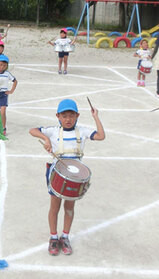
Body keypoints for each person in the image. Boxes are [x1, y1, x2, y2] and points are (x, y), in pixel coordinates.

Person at [28, 99, 105, 256]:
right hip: (57, 174)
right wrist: (46, 139)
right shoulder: (54, 130)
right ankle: (53, 237)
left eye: (71, 115)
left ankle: (65, 236)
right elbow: (32, 130)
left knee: (69, 208)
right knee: (54, 207)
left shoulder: (81, 132)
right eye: (64, 116)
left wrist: (96, 116)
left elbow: (101, 136)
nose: (68, 119)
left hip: (75, 177)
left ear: (77, 115)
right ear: (58, 116)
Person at [0, 54, 17, 136]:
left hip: (4, 95)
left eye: (4, 65)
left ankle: (3, 127)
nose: (2, 67)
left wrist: (11, 91)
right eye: (1, 64)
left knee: (2, 112)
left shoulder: (7, 74)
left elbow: (15, 81)